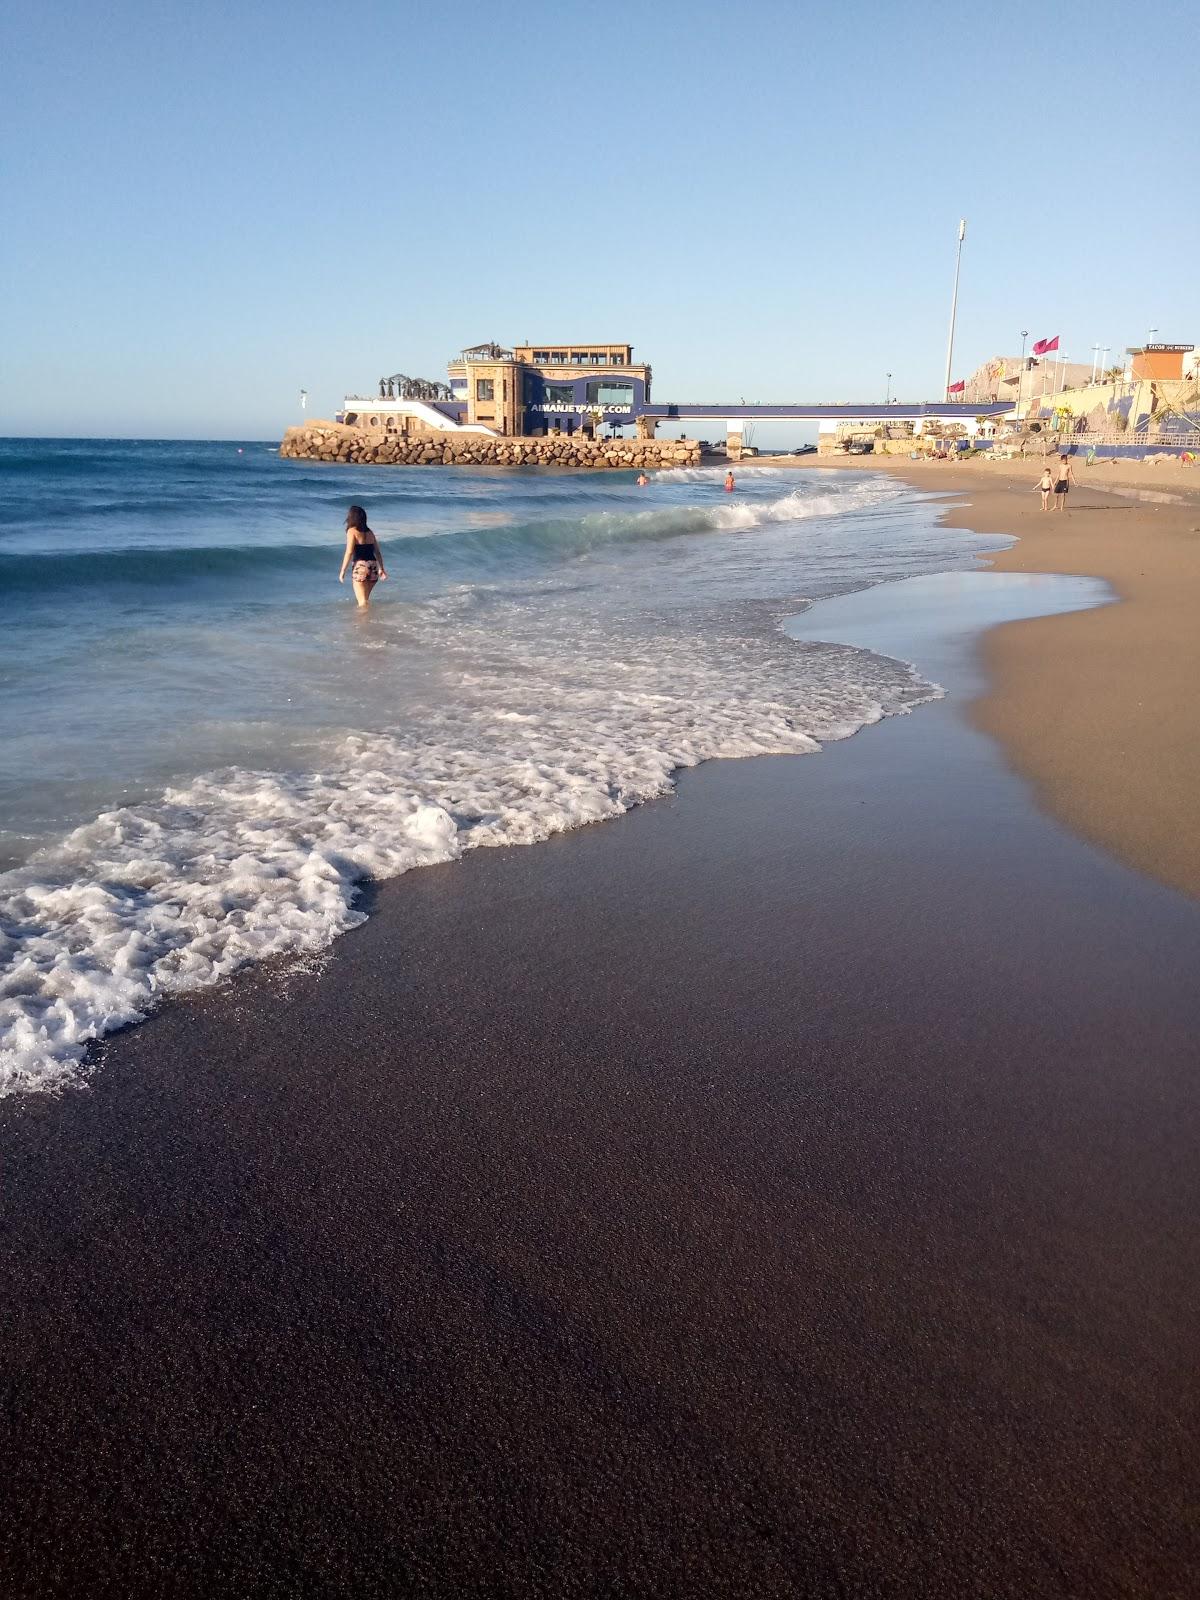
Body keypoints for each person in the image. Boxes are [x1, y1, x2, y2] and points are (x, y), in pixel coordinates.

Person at [338, 504, 387, 608]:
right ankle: (368, 622)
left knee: (362, 603)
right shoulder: (370, 532)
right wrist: (381, 568)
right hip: (373, 566)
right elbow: (377, 552)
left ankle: (363, 623)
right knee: (365, 600)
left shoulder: (352, 531)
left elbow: (349, 552)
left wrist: (343, 571)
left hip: (360, 567)